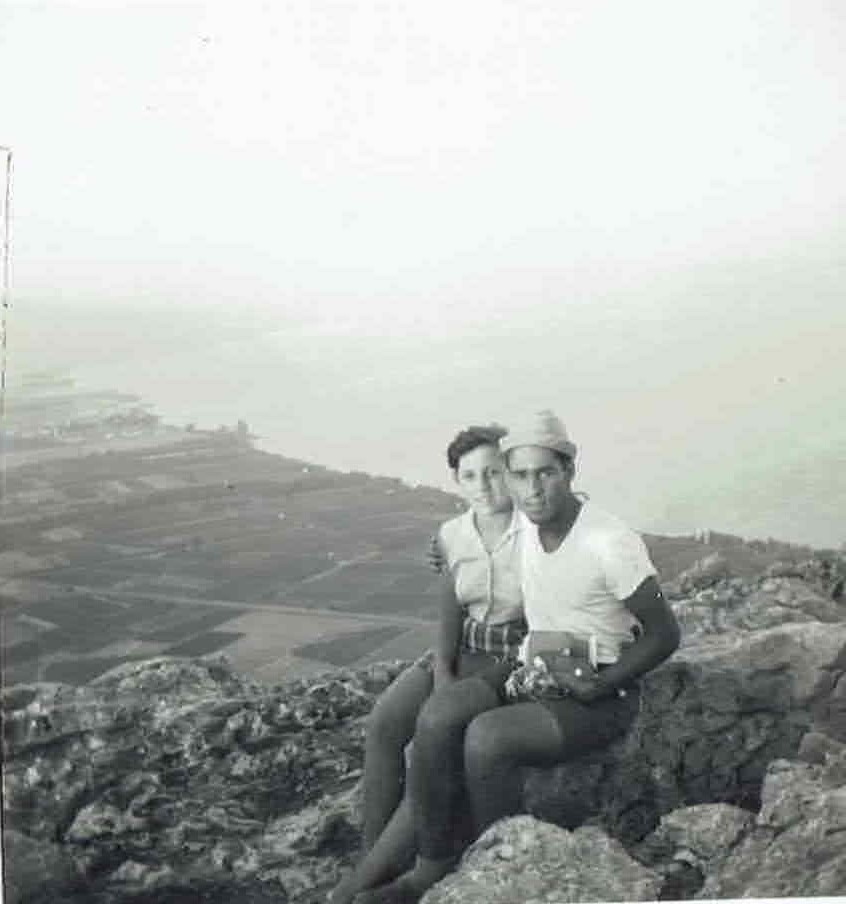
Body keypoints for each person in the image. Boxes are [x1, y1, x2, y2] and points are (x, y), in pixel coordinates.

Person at [355, 410, 681, 904]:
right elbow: (475, 538)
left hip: (600, 686)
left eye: (545, 473)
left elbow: (665, 634)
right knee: (439, 714)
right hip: (540, 664)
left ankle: (499, 867)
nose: (533, 489)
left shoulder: (610, 542)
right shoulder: (527, 523)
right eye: (521, 475)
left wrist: (603, 682)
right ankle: (432, 865)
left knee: (487, 738)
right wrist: (441, 549)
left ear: (569, 471)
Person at [329, 424, 527, 904]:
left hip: (511, 657)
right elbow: (450, 608)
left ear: (511, 472)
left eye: (493, 472)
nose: (483, 486)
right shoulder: (453, 534)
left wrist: (452, 695)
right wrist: (442, 671)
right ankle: (374, 852)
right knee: (385, 722)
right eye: (470, 476)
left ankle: (375, 876)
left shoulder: (535, 532)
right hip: (464, 648)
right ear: (457, 481)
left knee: (430, 744)